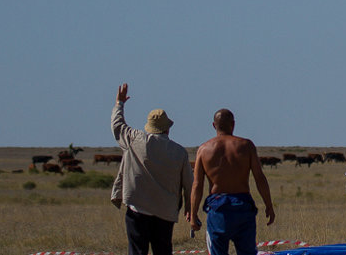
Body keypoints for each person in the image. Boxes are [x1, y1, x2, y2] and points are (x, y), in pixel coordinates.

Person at [110, 83, 193, 255]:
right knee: (163, 251)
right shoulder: (179, 152)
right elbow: (189, 184)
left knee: (137, 250)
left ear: (148, 127)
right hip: (165, 211)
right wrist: (190, 207)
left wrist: (120, 104)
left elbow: (117, 125)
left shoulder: (135, 139)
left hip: (138, 208)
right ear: (168, 128)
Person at [190, 108, 276, 255]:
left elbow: (197, 184)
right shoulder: (246, 146)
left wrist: (193, 214)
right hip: (242, 207)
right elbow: (259, 178)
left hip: (218, 210)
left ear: (213, 125)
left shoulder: (204, 150)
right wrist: (268, 205)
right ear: (233, 124)